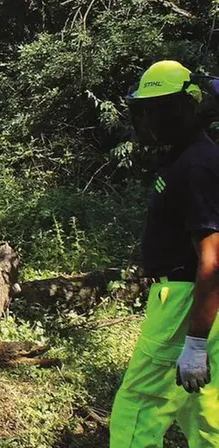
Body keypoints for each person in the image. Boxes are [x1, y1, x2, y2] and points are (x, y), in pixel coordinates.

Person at [109, 61, 219, 447]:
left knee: (137, 409)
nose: (155, 119)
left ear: (190, 106)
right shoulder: (190, 158)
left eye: (165, 108)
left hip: (185, 302)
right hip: (201, 303)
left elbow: (212, 258)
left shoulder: (197, 166)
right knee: (205, 411)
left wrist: (195, 342)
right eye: (148, 109)